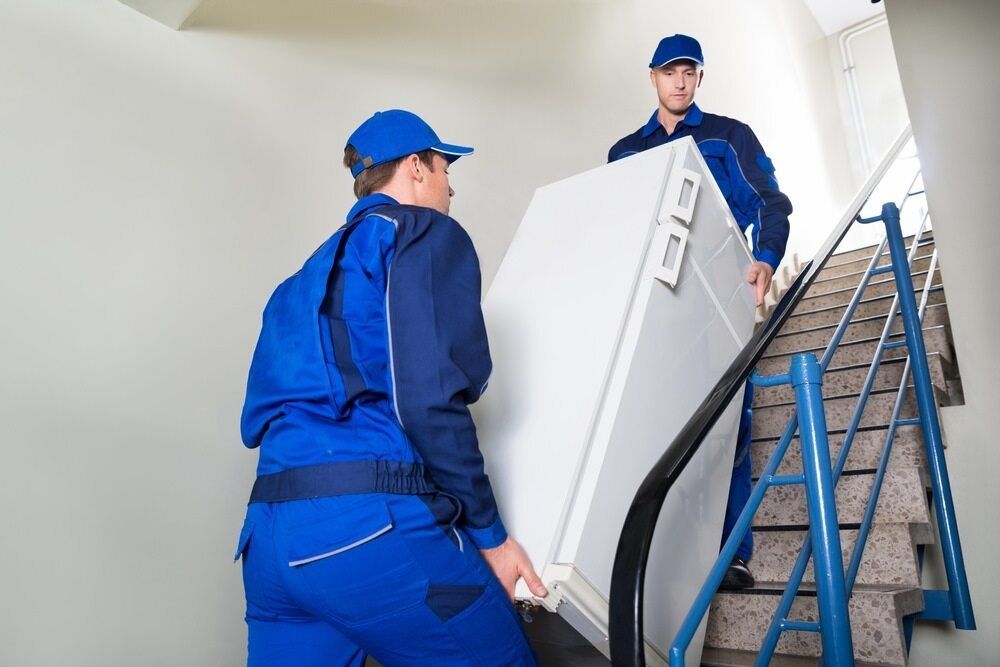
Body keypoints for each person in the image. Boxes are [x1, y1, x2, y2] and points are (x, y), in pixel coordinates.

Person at [234, 109, 545, 666]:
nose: (452, 187)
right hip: (364, 526)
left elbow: (257, 420)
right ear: (415, 168)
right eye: (445, 169)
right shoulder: (418, 231)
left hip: (268, 541)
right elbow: (427, 397)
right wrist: (492, 538)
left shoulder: (301, 277)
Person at [608, 34, 793, 590]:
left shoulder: (729, 136)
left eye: (689, 72)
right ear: (653, 78)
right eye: (670, 72)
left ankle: (730, 553)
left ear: (699, 78)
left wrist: (765, 257)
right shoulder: (623, 152)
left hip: (718, 294)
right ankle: (659, 564)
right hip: (652, 304)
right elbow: (616, 227)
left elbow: (770, 202)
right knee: (653, 422)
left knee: (728, 424)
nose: (680, 81)